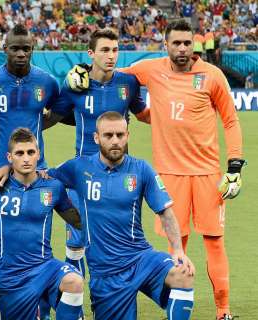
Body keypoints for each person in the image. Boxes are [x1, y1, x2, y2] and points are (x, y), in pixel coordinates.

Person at [67, 21, 245, 320]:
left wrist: (235, 166)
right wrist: (80, 69)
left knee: (214, 240)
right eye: (176, 43)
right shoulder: (149, 69)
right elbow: (110, 72)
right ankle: (174, 306)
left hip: (207, 172)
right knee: (178, 243)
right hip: (169, 172)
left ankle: (223, 312)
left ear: (194, 45)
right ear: (166, 45)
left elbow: (230, 120)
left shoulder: (212, 76)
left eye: (187, 43)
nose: (182, 48)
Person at [41, 112, 195, 319]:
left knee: (183, 274)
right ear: (96, 138)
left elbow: (165, 211)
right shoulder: (79, 167)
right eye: (108, 135)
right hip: (107, 273)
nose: (115, 141)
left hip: (141, 258)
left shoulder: (141, 169)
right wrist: (6, 170)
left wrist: (177, 250)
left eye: (120, 135)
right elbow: (41, 176)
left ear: (127, 136)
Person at [47, 28, 149, 288]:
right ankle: (75, 306)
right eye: (104, 50)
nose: (111, 55)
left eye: (115, 50)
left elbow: (143, 113)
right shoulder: (74, 87)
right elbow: (52, 119)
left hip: (120, 176)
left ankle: (111, 296)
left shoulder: (128, 83)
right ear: (91, 54)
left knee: (118, 242)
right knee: (76, 243)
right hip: (83, 175)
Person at [0, 23, 61, 275]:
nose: (21, 53)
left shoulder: (47, 81)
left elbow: (59, 111)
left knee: (33, 240)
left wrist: (38, 130)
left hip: (35, 172)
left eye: (26, 49)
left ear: (33, 48)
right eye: (15, 49)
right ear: (4, 49)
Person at [0, 128, 84, 320]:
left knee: (74, 282)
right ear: (10, 156)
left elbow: (75, 220)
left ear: (38, 154)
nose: (26, 158)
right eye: (19, 153)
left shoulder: (53, 186)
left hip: (45, 267)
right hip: (11, 276)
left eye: (31, 152)